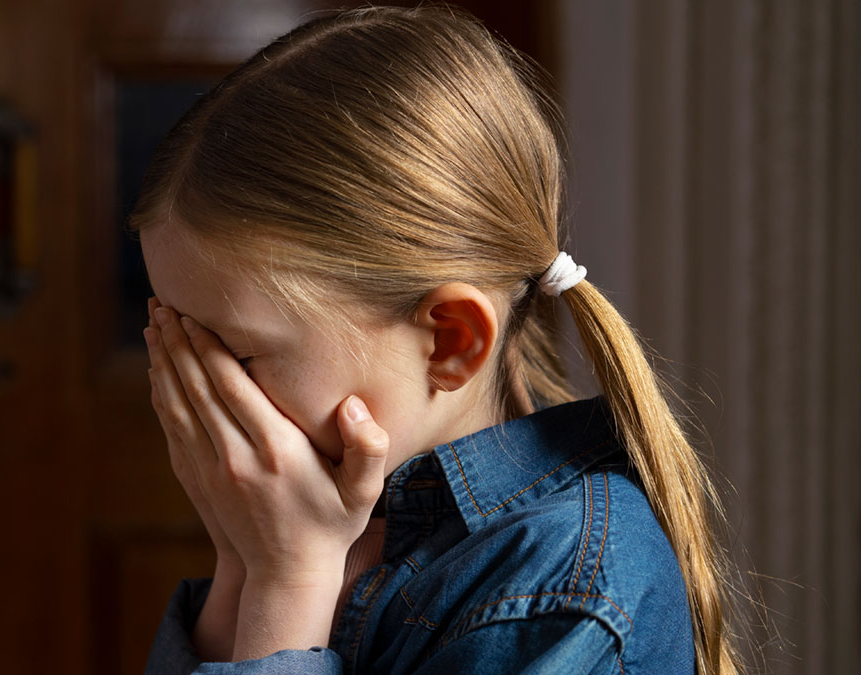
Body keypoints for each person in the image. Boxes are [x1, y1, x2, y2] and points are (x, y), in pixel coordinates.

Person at [133, 5, 740, 673]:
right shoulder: (324, 511)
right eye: (177, 342)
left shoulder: (566, 589)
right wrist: (241, 564)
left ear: (450, 342)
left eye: (237, 354)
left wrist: (287, 582)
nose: (194, 385)